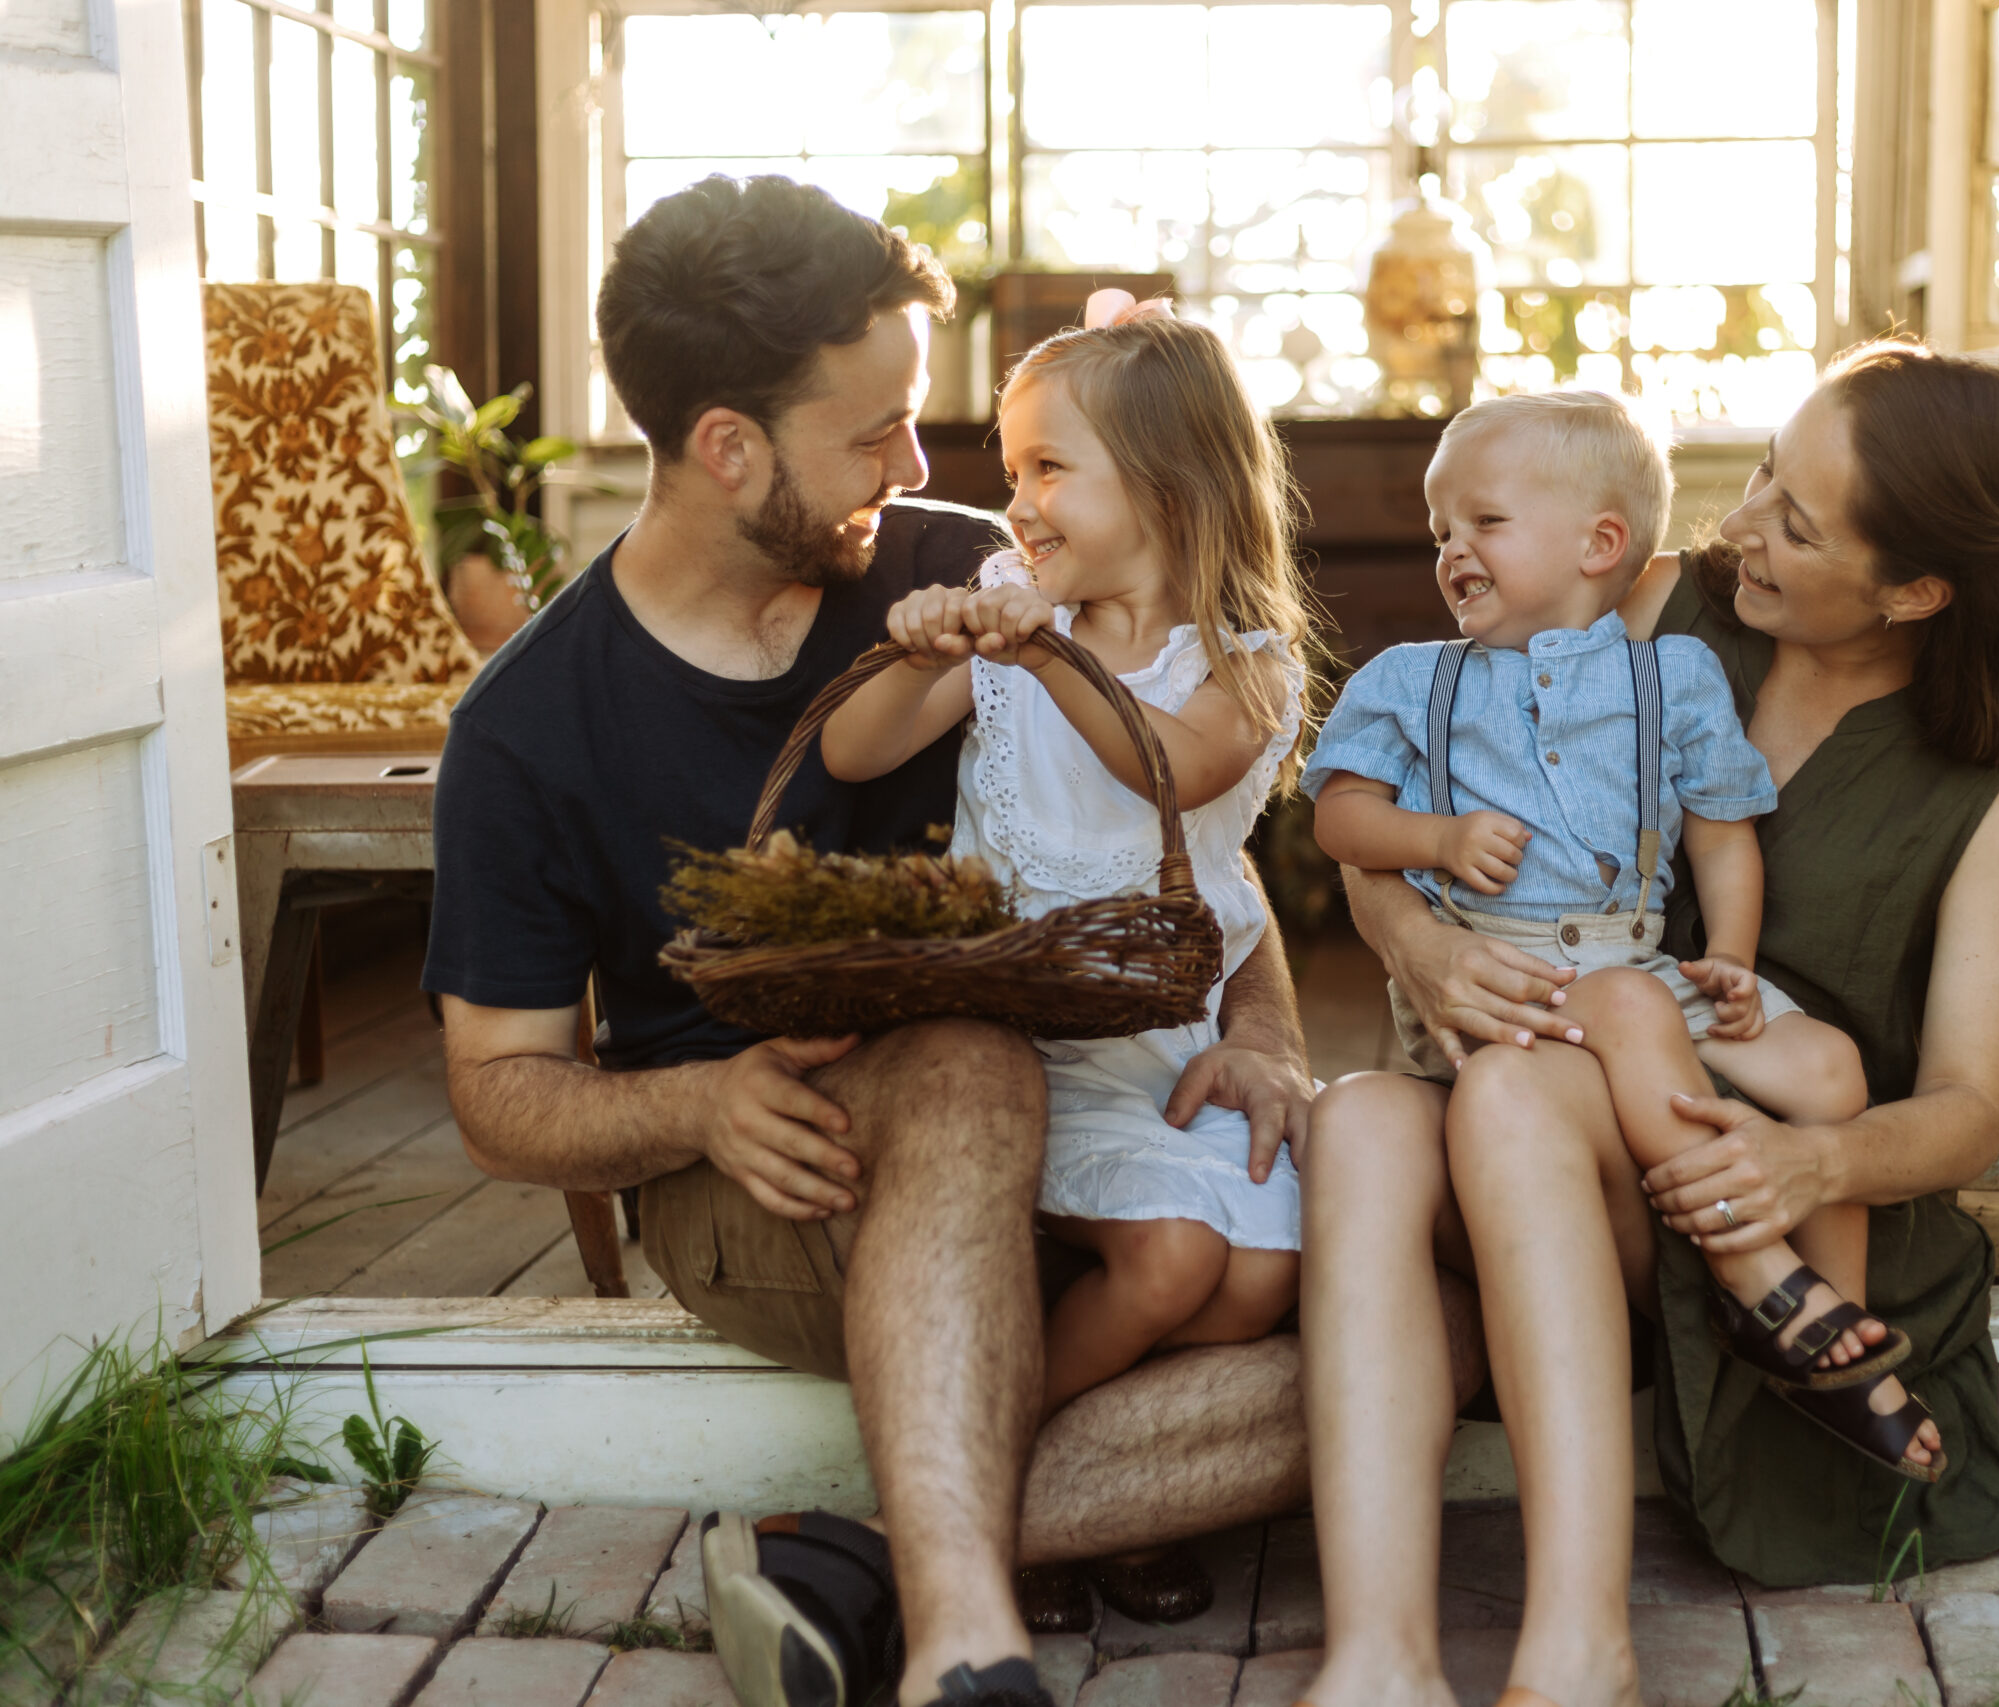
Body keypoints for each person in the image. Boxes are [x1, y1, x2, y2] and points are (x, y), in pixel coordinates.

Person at [424, 176, 1375, 1707]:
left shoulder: (983, 560)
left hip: (1110, 1110)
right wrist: (696, 1103)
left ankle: (864, 1551)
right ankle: (964, 1648)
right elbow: (500, 1089)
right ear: (728, 447)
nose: (925, 467)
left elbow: (1192, 852)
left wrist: (1263, 1028)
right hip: (790, 1172)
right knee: (966, 1064)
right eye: (875, 431)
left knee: (1425, 1321)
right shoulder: (531, 724)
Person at [1297, 342, 1999, 1707]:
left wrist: (1812, 1165)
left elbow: (1971, 1105)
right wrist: (1421, 941)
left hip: (1798, 1208)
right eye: (1761, 478)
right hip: (1583, 1117)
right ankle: (1376, 1659)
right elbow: (1394, 817)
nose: (1738, 524)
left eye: (1794, 521)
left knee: (1507, 1099)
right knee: (1366, 1123)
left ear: (1915, 589)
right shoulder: (1669, 610)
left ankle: (1580, 1654)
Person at [1302, 389, 1923, 1433]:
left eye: (1484, 522)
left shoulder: (1668, 679)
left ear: (1600, 544)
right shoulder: (1414, 684)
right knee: (1633, 1013)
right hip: (1507, 986)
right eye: (1439, 529)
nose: (1452, 548)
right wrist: (1436, 843)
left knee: (1832, 1070)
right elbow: (1341, 822)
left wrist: (1726, 956)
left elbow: (1719, 836)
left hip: (1634, 968)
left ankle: (1834, 1329)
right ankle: (1760, 1282)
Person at [820, 294, 1312, 1424]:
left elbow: (1174, 770)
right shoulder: (1013, 615)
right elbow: (852, 752)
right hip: (1034, 1063)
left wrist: (1047, 660)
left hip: (1178, 1058)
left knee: (1263, 1276)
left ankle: (1050, 1476)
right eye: (1011, 471)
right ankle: (980, 1455)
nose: (1019, 505)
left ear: (1169, 483)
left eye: (1050, 468)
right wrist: (919, 651)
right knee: (1172, 1263)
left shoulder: (1245, 665)